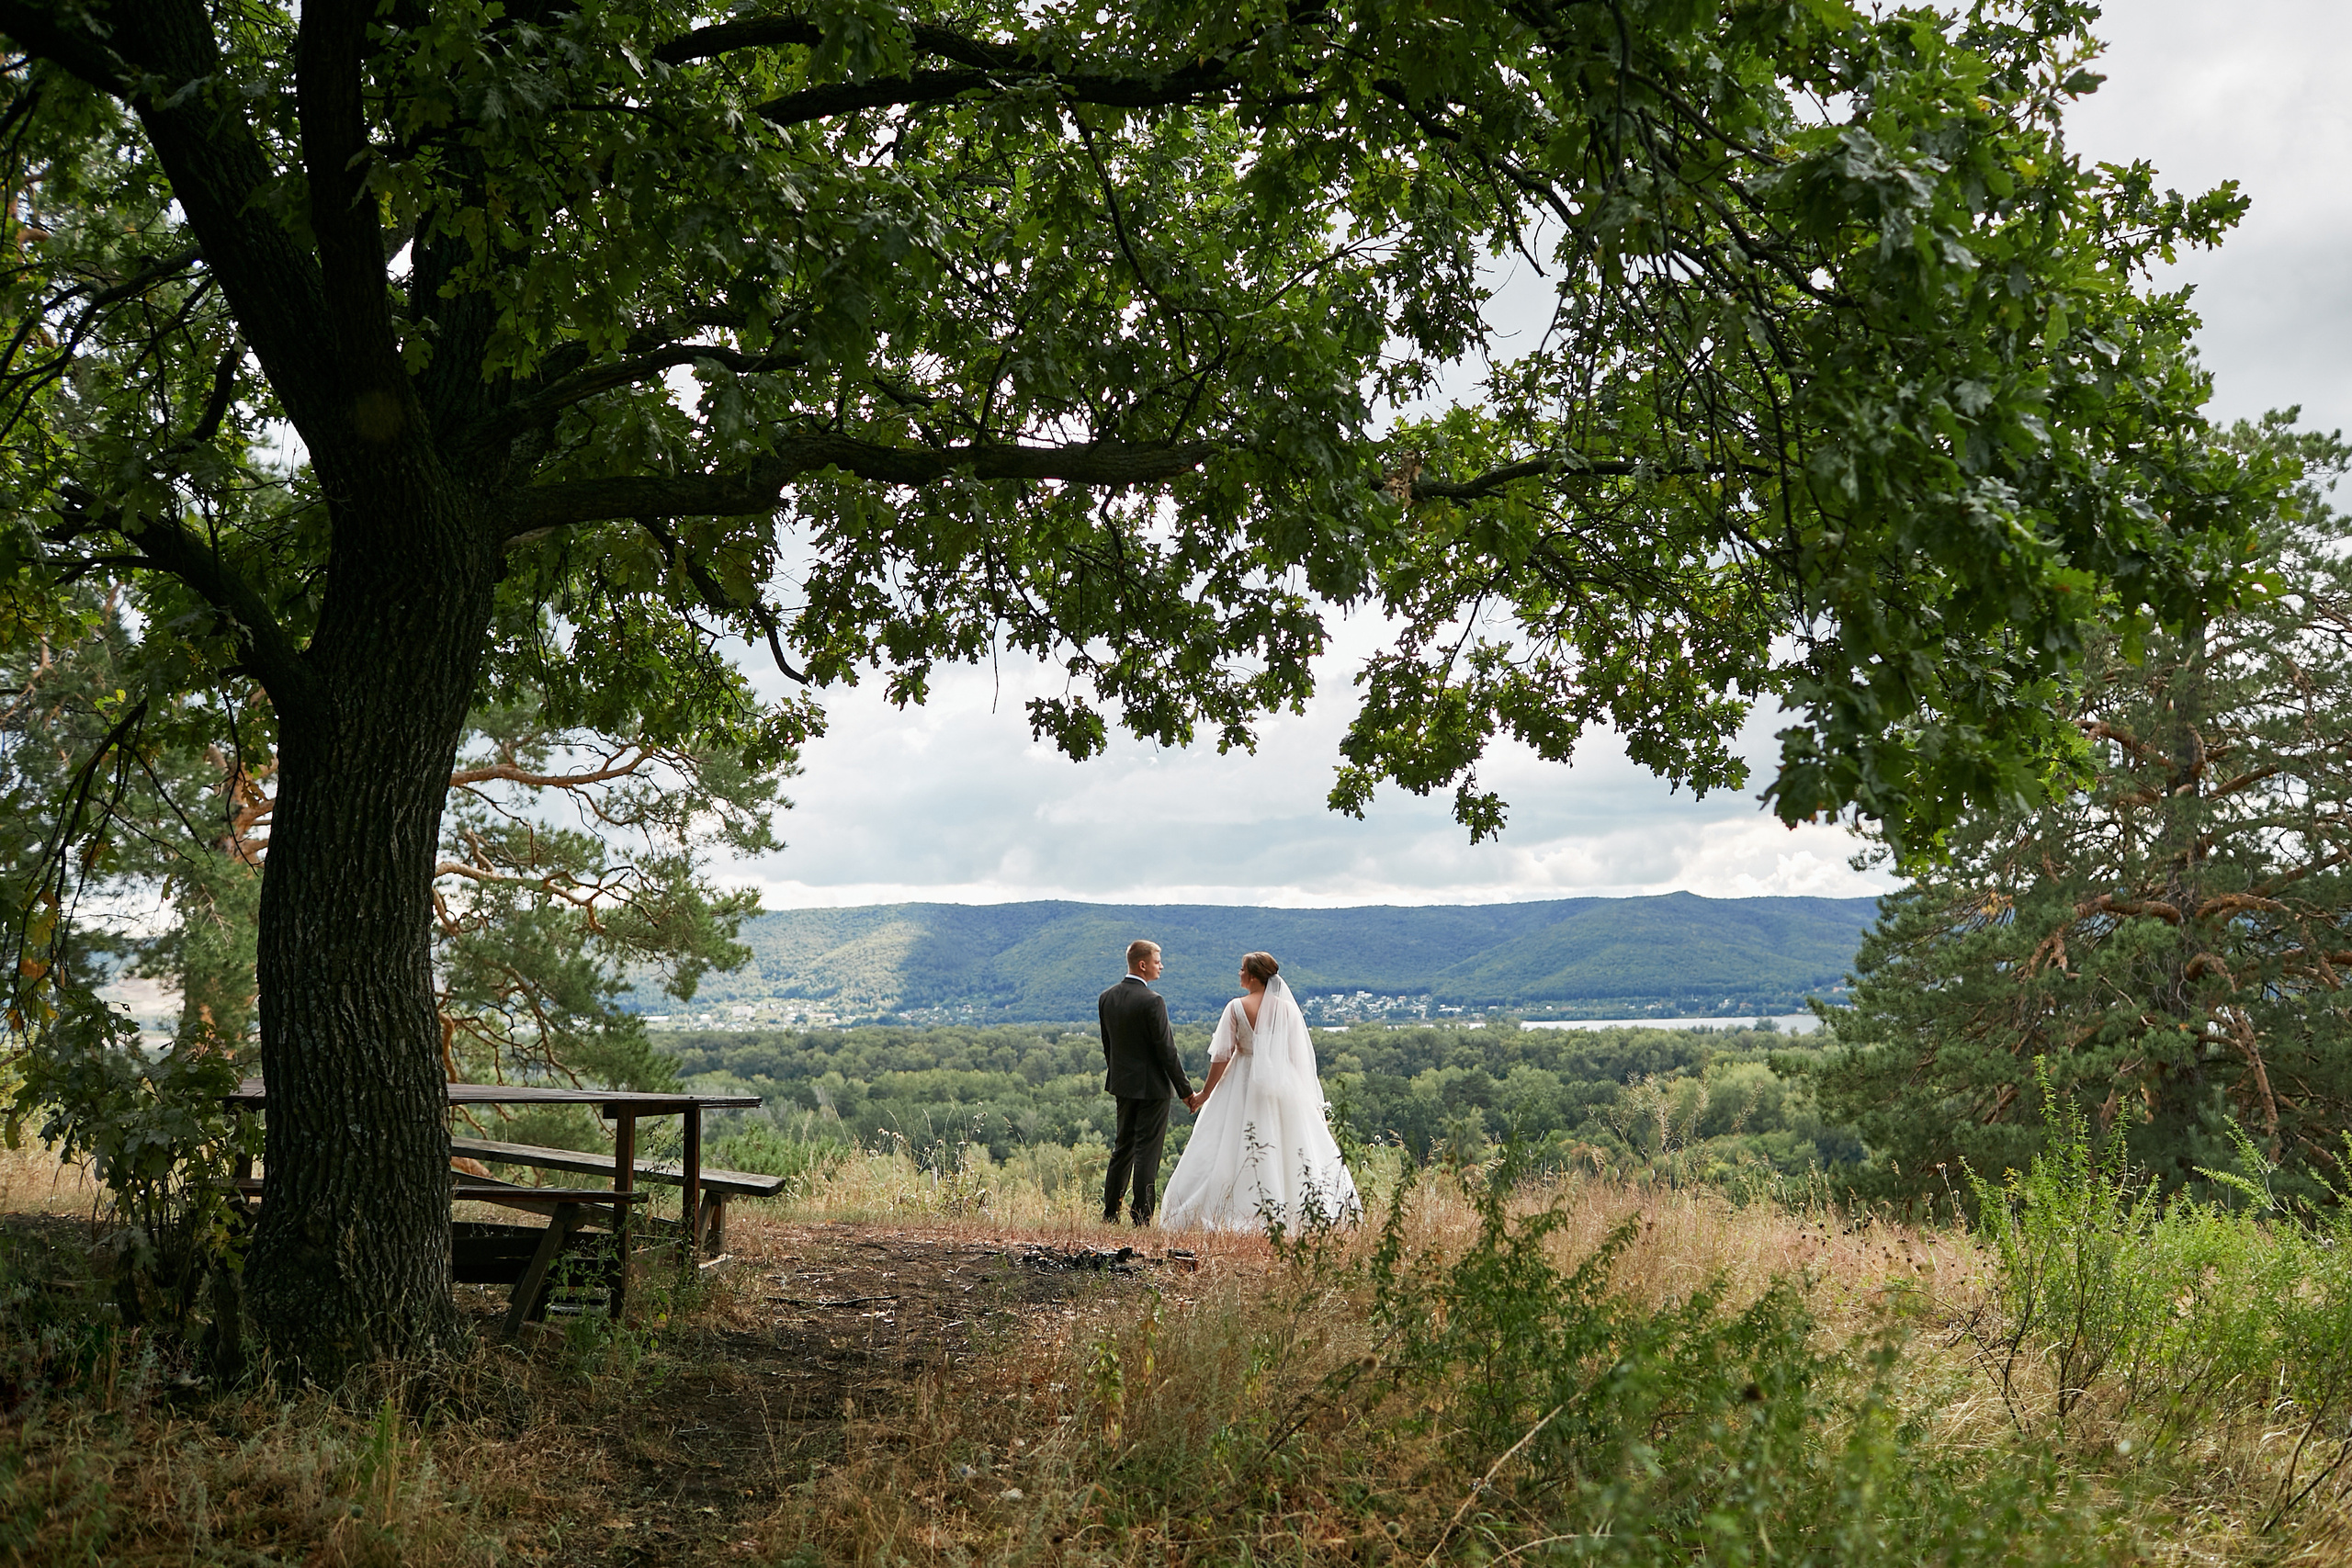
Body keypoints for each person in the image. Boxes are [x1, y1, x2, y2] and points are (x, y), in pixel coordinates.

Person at [1159, 951, 1360, 1231]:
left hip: (1241, 1079)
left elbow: (1222, 1056)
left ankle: (1228, 1206)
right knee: (1286, 1143)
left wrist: (1204, 1095)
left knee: (1228, 1143)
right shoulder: (1288, 1010)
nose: (1239, 973)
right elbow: (1296, 1056)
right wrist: (1304, 1097)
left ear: (1253, 976)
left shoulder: (1236, 1007)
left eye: (1241, 969)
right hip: (1282, 1082)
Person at [1097, 939, 1195, 1225]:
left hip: (1122, 1085)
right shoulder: (1153, 1001)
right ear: (1143, 964)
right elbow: (1167, 1051)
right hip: (1153, 1089)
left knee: (1122, 1148)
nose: (1161, 966)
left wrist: (1118, 1076)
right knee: (1147, 1155)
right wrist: (1185, 1091)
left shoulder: (1107, 997)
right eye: (1157, 961)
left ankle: (1110, 1213)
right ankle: (1141, 1217)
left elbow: (1109, 1047)